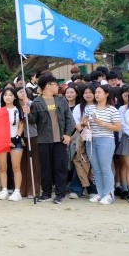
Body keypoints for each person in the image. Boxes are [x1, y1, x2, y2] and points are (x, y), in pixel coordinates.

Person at [29, 74, 76, 204]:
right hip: (44, 140)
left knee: (60, 167)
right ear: (48, 86)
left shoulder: (61, 100)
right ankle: (46, 193)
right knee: (46, 168)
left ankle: (60, 194)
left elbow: (70, 119)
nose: (57, 87)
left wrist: (68, 134)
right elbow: (32, 120)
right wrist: (27, 112)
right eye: (55, 84)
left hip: (60, 140)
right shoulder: (37, 102)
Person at [83, 84, 122, 205]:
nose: (96, 94)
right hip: (91, 139)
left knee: (105, 168)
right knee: (96, 169)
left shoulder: (112, 110)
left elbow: (118, 127)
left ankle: (109, 194)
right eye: (96, 92)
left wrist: (102, 123)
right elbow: (83, 121)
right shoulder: (89, 108)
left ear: (107, 94)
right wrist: (85, 122)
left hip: (106, 139)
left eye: (99, 92)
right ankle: (100, 193)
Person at [0, 88, 24, 202]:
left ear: (14, 97)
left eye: (10, 95)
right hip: (2, 140)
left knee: (16, 167)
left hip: (15, 139)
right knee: (3, 167)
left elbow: (21, 125)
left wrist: (17, 138)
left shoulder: (19, 110)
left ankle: (17, 191)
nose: (8, 97)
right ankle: (4, 189)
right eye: (5, 95)